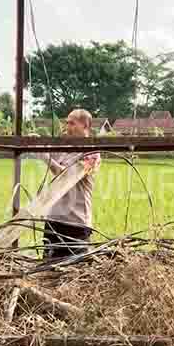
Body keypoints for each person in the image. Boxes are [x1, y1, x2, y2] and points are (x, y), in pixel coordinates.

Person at [39, 109, 101, 259]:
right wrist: (35, 141)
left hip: (76, 223)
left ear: (85, 126)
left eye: (72, 123)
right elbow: (46, 151)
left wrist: (44, 156)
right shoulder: (63, 148)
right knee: (47, 270)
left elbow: (67, 176)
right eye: (67, 123)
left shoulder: (92, 154)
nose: (67, 127)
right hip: (54, 219)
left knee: (75, 271)